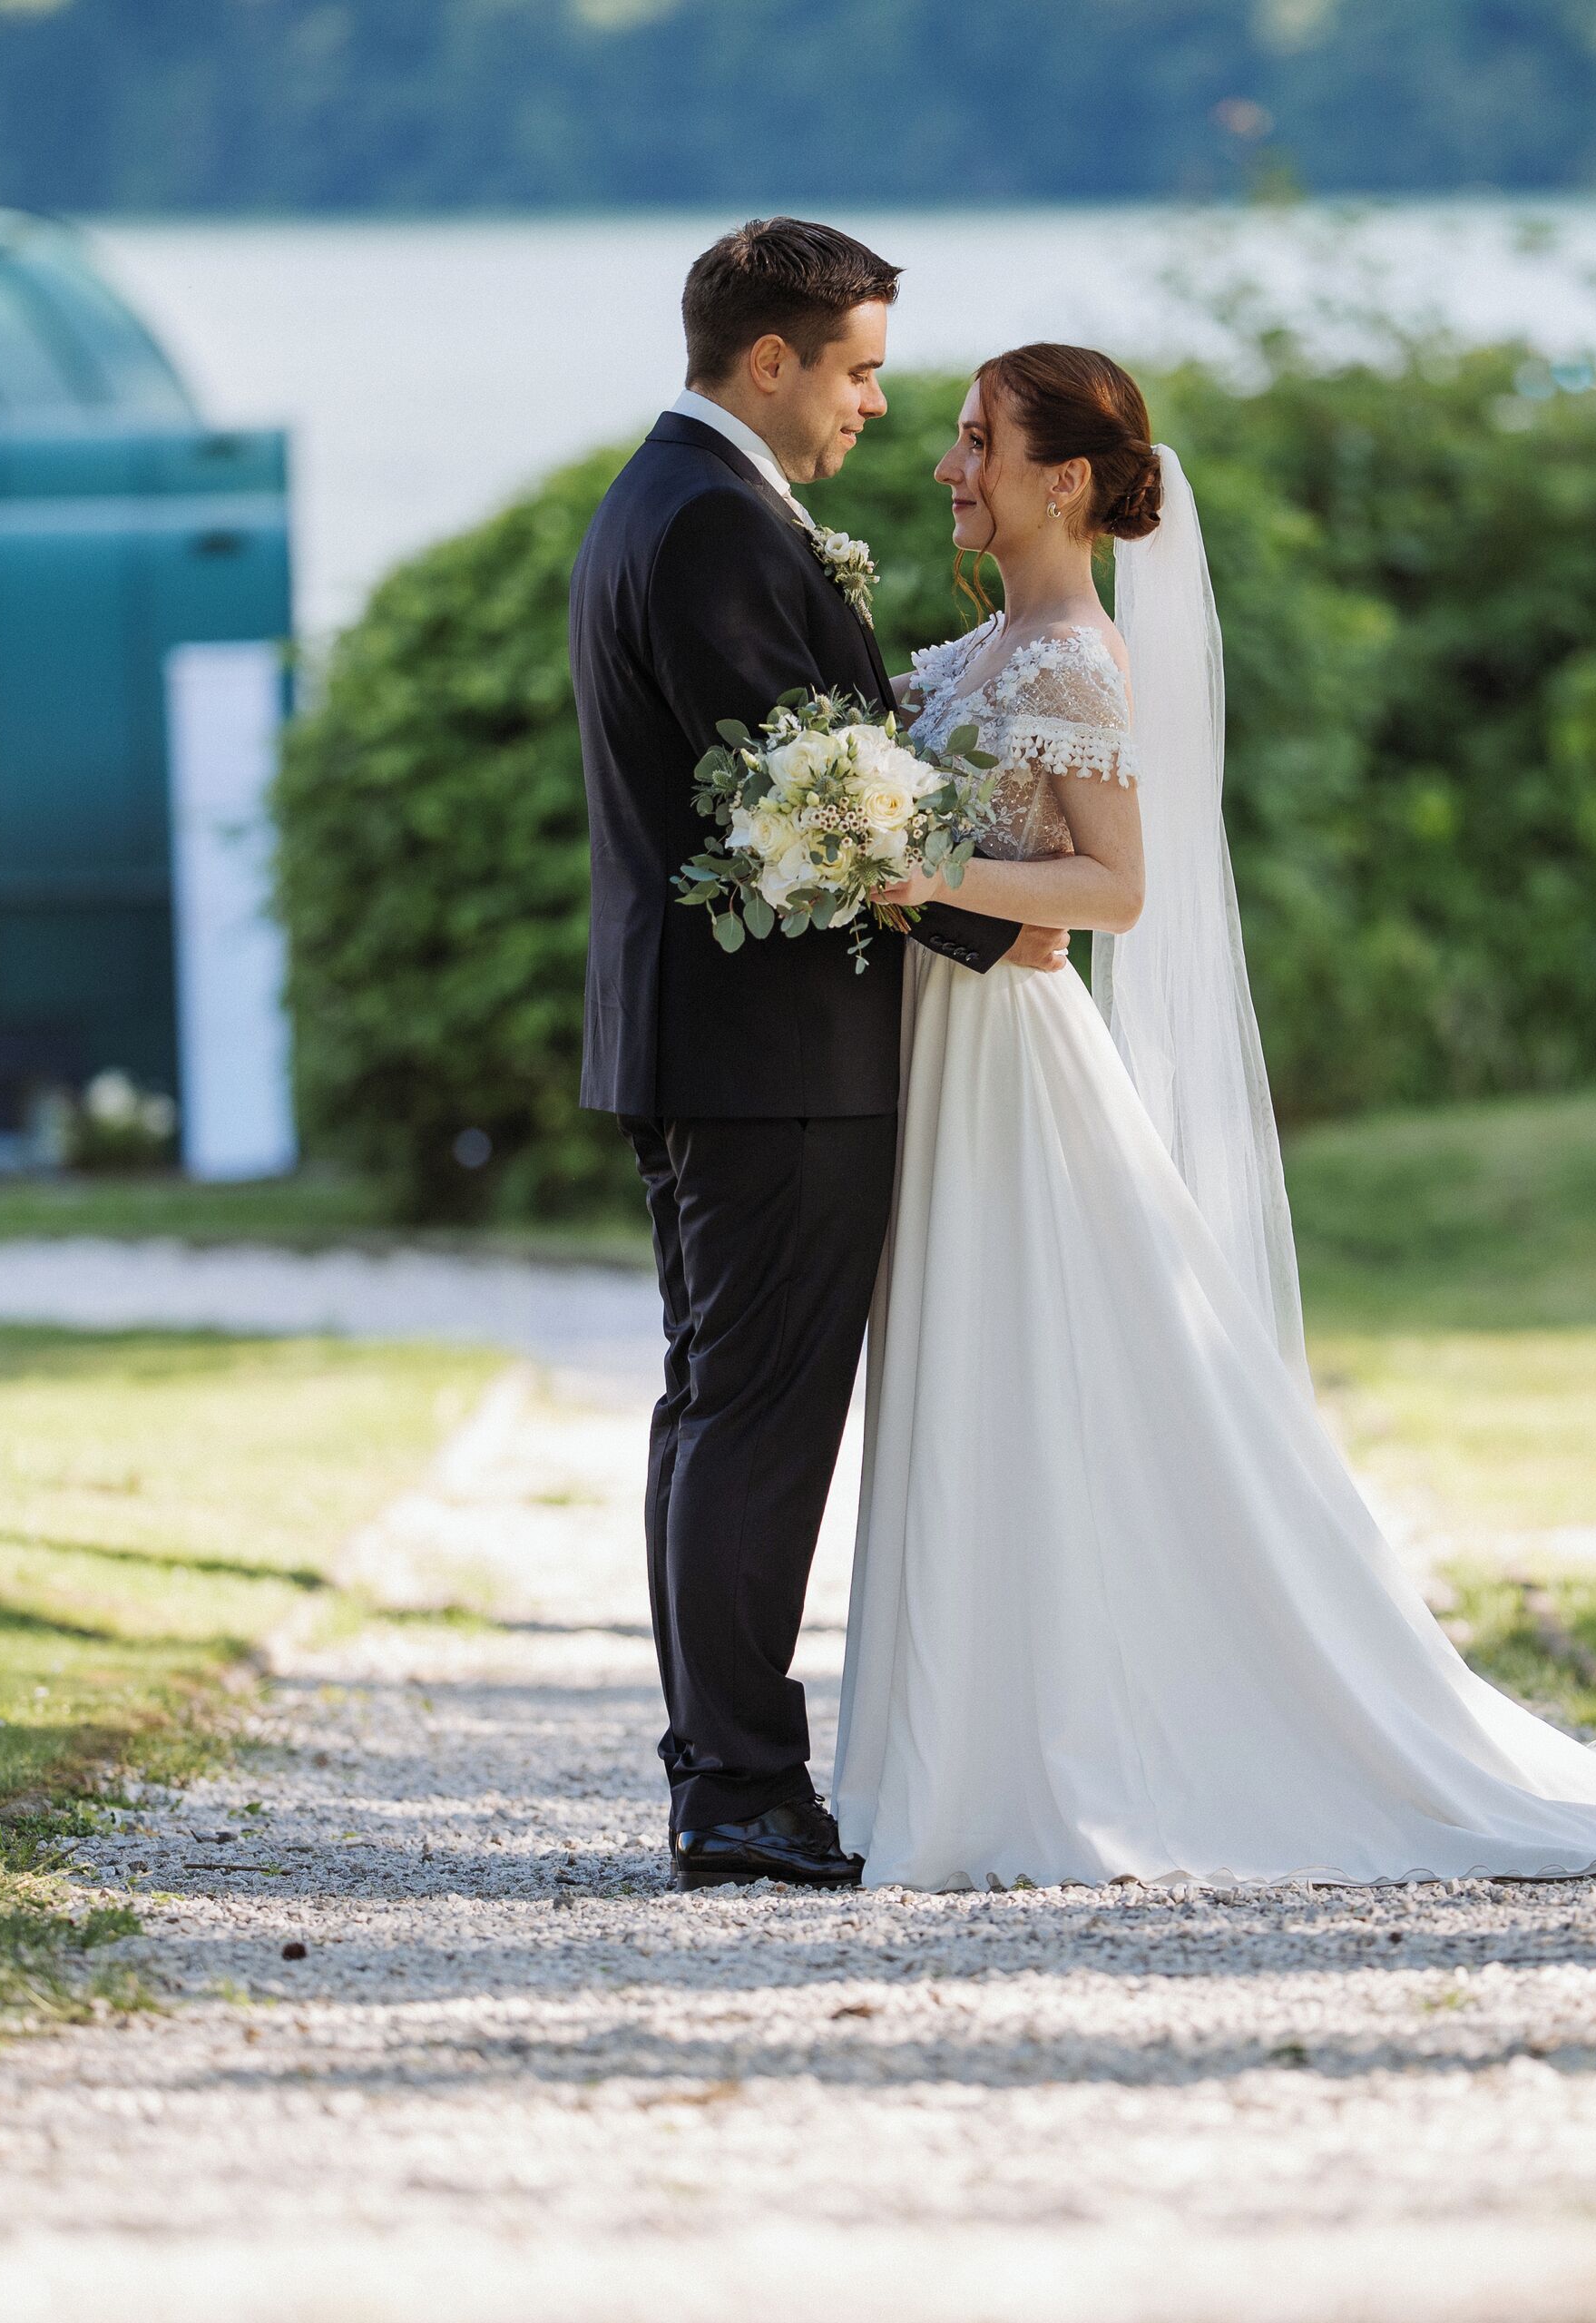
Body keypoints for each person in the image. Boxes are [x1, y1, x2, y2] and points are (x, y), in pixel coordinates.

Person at [836, 344, 1596, 1887]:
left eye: (977, 439)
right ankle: (956, 1748)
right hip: (950, 1044)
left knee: (1032, 1377)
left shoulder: (1073, 658)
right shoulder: (981, 651)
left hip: (1014, 1059)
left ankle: (1042, 1759)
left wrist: (930, 877)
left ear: (1062, 477)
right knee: (974, 1376)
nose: (949, 465)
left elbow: (1118, 893)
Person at [569, 218, 1064, 1891]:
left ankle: (723, 1769)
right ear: (765, 360)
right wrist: (1004, 927)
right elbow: (809, 798)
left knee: (719, 1408)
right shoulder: (711, 520)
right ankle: (737, 1788)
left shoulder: (680, 499)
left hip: (721, 1042)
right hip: (772, 1051)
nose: (871, 408)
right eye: (854, 372)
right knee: (758, 1419)